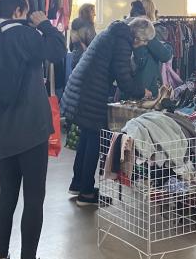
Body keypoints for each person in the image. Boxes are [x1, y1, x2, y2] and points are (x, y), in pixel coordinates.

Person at [0, 0, 67, 259]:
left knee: (6, 197)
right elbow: (58, 50)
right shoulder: (22, 33)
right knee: (33, 198)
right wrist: (44, 23)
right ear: (19, 10)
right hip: (30, 129)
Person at [61, 17, 155, 207]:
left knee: (87, 138)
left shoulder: (113, 33)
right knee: (94, 138)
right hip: (90, 93)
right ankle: (86, 194)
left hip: (80, 90)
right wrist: (142, 92)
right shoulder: (122, 41)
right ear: (138, 36)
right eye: (145, 41)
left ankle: (79, 184)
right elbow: (123, 77)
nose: (144, 45)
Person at [69, 3, 97, 69]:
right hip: (87, 61)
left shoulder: (74, 24)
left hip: (75, 60)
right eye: (93, 12)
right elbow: (92, 45)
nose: (95, 14)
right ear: (88, 13)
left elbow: (71, 47)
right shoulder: (89, 26)